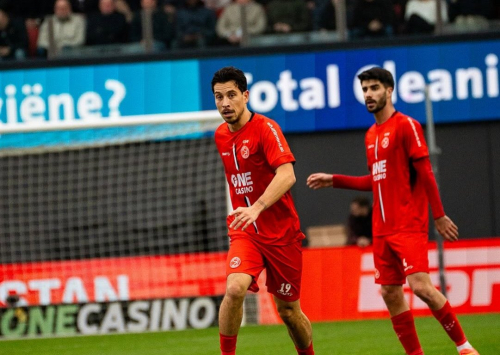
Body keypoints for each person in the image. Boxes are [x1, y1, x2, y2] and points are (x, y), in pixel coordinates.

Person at [306, 67, 479, 355]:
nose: (369, 94)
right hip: (381, 230)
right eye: (365, 90)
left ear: (389, 90)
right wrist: (334, 180)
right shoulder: (371, 135)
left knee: (421, 287)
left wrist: (438, 215)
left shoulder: (406, 126)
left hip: (408, 223)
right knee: (389, 292)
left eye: (374, 88)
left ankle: (464, 347)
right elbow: (376, 180)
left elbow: (426, 172)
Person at [212, 66, 314, 355]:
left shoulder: (266, 129)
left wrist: (257, 207)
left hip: (282, 234)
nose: (225, 103)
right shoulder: (221, 135)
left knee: (289, 312)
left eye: (231, 95)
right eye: (219, 97)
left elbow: (287, 175)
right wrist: (248, 213)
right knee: (234, 289)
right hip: (246, 232)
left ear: (245, 96)